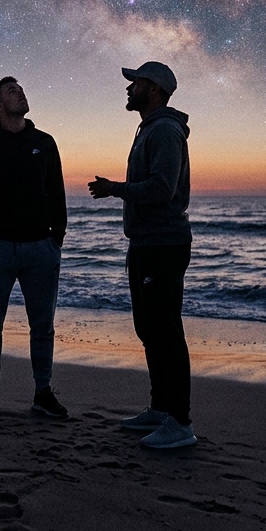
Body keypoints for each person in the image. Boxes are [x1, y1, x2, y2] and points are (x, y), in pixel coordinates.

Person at [87, 61, 196, 449]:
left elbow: (162, 188)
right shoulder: (150, 128)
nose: (129, 89)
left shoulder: (165, 130)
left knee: (165, 332)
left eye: (135, 83)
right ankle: (161, 407)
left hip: (163, 244)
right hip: (146, 243)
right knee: (149, 330)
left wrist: (115, 188)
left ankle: (180, 422)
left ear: (155, 88)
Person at [0, 77, 69, 419]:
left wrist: (56, 238)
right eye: (12, 90)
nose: (21, 92)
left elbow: (56, 193)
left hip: (40, 247)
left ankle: (43, 392)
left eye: (21, 88)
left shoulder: (45, 142)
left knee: (43, 326)